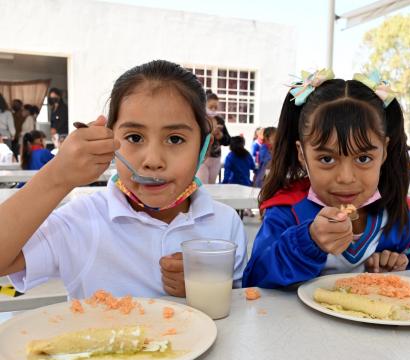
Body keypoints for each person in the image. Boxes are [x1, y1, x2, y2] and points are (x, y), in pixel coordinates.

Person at [0, 60, 247, 299]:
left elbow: (238, 309)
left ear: (203, 147)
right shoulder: (82, 221)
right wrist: (56, 176)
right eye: (135, 137)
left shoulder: (226, 224)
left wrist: (206, 286)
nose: (152, 160)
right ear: (108, 140)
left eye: (175, 139)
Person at [242, 71, 410, 288]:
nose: (346, 178)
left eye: (363, 158)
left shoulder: (406, 224)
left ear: (384, 152)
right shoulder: (287, 214)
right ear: (301, 153)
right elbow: (253, 283)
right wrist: (308, 242)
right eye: (327, 158)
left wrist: (396, 277)